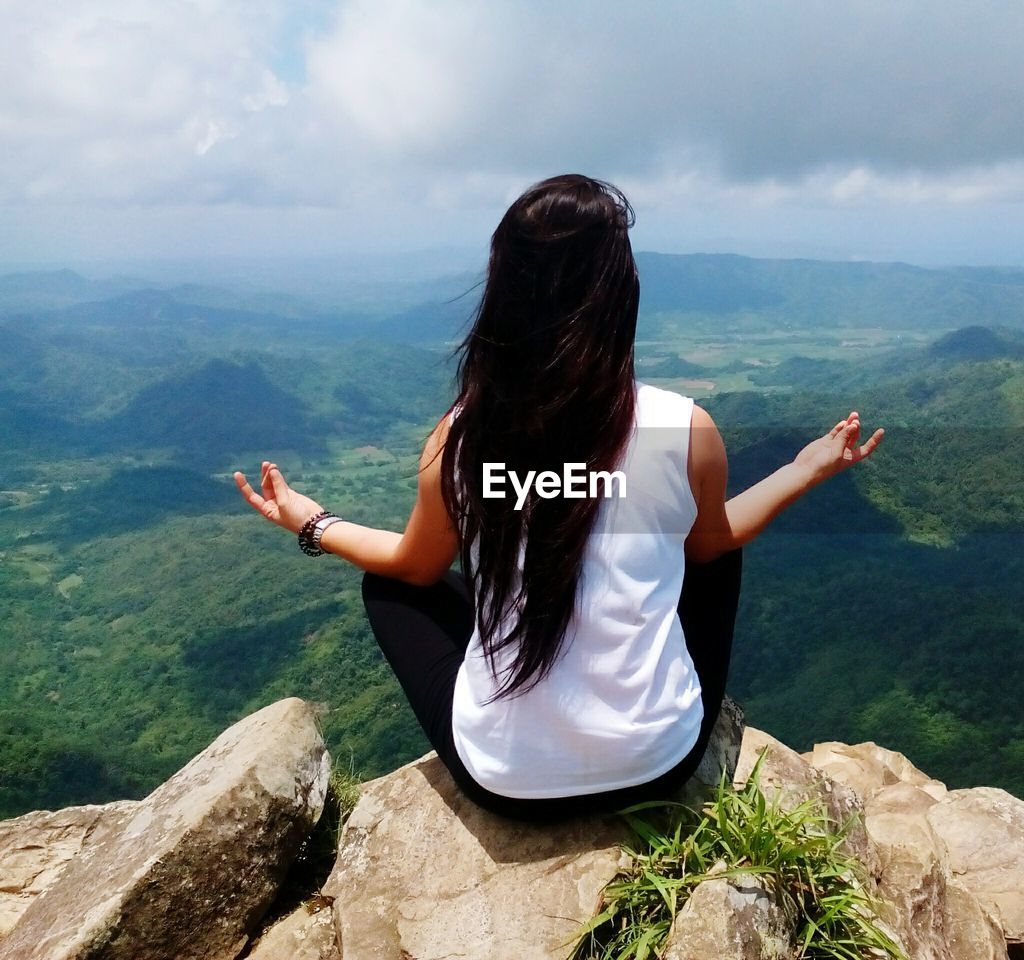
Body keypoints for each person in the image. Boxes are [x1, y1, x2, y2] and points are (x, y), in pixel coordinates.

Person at [234, 174, 884, 823]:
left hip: (506, 784)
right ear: (619, 296)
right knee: (710, 551)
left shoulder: (461, 437)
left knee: (391, 586)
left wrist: (314, 523)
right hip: (660, 764)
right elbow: (714, 545)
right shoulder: (685, 428)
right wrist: (803, 469)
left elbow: (412, 566)